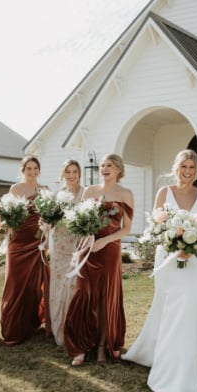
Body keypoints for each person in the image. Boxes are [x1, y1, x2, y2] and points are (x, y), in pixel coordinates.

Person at [123, 150, 197, 392]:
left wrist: (191, 247)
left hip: (193, 261)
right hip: (166, 259)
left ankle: (186, 362)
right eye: (184, 166)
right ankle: (165, 359)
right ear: (176, 167)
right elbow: (156, 228)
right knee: (167, 307)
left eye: (192, 167)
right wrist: (174, 245)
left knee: (189, 308)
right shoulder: (164, 193)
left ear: (196, 170)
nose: (188, 171)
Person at [64, 153, 134, 366]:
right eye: (103, 165)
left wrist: (105, 242)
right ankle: (82, 347)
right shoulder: (90, 191)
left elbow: (127, 229)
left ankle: (103, 346)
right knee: (84, 293)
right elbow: (80, 221)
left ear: (118, 170)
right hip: (87, 249)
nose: (104, 168)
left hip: (110, 250)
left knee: (105, 298)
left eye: (109, 165)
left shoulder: (125, 194)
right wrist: (86, 240)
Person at [0, 156, 51, 345]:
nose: (32, 171)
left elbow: (49, 218)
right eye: (28, 168)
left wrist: (46, 234)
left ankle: (30, 324)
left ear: (39, 170)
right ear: (23, 170)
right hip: (18, 242)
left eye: (35, 168)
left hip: (37, 242)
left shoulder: (45, 190)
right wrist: (10, 232)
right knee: (15, 283)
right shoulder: (16, 189)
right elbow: (8, 216)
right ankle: (13, 327)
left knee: (33, 285)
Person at [48, 160, 84, 346]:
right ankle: (59, 327)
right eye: (68, 171)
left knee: (74, 285)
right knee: (59, 285)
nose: (71, 175)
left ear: (79, 173)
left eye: (75, 171)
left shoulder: (85, 193)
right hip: (60, 246)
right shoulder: (57, 195)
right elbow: (50, 221)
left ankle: (74, 327)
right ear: (63, 174)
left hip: (78, 246)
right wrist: (45, 224)